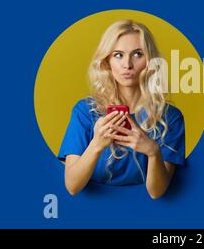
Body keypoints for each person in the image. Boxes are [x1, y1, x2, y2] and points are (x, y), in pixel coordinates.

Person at [58, 19, 185, 199]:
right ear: (107, 61)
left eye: (137, 54)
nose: (127, 64)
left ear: (150, 61)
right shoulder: (85, 111)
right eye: (118, 55)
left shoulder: (170, 117)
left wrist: (153, 151)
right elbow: (72, 186)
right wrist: (97, 143)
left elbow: (156, 192)